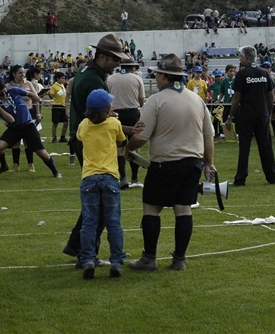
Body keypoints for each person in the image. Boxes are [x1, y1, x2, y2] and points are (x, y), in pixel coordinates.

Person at [125, 53, 216, 271]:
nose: (156, 78)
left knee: (151, 209)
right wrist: (208, 163)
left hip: (164, 164)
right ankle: (179, 259)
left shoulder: (156, 100)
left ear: (164, 76)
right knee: (183, 209)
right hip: (192, 163)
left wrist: (128, 148)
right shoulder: (196, 99)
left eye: (157, 75)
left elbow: (141, 136)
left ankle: (149, 258)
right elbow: (208, 136)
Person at [63, 34, 128, 262]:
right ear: (102, 57)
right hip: (88, 140)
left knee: (93, 202)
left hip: (81, 136)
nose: (118, 64)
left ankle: (79, 248)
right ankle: (83, 251)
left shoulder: (85, 71)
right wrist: (112, 119)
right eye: (115, 59)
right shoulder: (94, 79)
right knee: (99, 207)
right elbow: (95, 118)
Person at [76, 89, 127, 279]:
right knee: (113, 223)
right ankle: (116, 262)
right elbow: (121, 140)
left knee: (89, 222)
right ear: (107, 109)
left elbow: (82, 137)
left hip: (89, 177)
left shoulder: (83, 125)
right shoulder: (114, 123)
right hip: (110, 177)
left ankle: (88, 259)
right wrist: (113, 118)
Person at [226, 46, 275, 186]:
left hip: (246, 116)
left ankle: (241, 178)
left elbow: (236, 98)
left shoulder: (242, 74)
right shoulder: (264, 73)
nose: (239, 59)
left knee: (244, 148)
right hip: (262, 114)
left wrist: (230, 116)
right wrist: (269, 112)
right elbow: (271, 96)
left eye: (240, 57)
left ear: (247, 58)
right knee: (266, 146)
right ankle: (272, 176)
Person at [106, 54, 146, 189]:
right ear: (132, 67)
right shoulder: (137, 78)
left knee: (119, 147)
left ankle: (122, 177)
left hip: (116, 114)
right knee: (134, 146)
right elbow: (141, 101)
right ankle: (134, 178)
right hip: (133, 112)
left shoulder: (110, 79)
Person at [49, 72, 69, 144]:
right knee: (55, 123)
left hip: (63, 106)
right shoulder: (54, 86)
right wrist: (49, 93)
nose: (64, 80)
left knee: (66, 122)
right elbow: (51, 95)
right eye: (62, 78)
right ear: (58, 79)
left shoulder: (62, 85)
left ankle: (62, 137)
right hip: (56, 106)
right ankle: (54, 137)